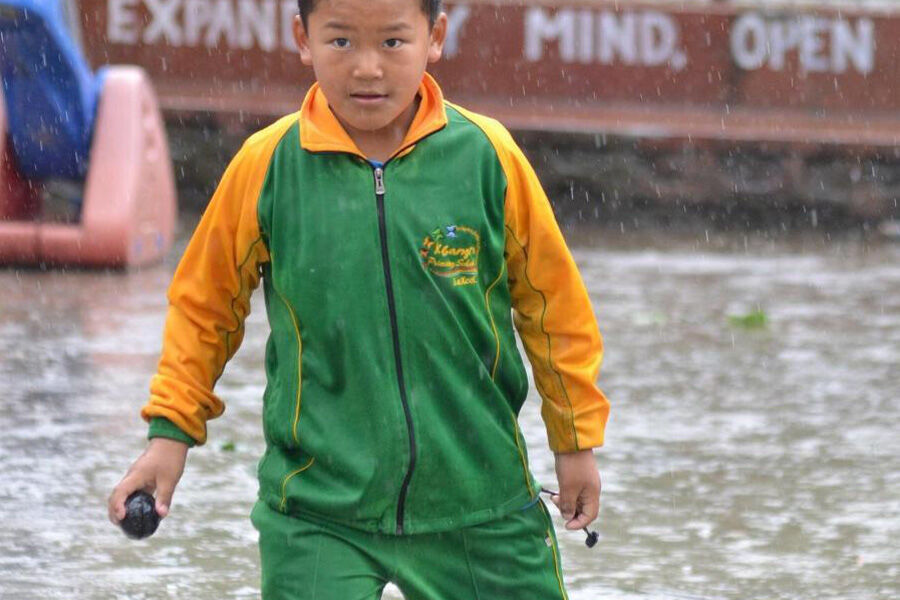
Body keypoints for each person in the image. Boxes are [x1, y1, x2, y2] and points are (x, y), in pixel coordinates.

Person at [108, 0, 610, 597]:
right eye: (341, 42)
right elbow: (204, 310)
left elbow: (553, 308)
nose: (367, 69)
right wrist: (170, 437)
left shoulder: (487, 157)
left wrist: (574, 442)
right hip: (319, 507)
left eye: (393, 42)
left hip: (482, 501)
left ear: (436, 37)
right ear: (303, 37)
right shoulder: (267, 167)